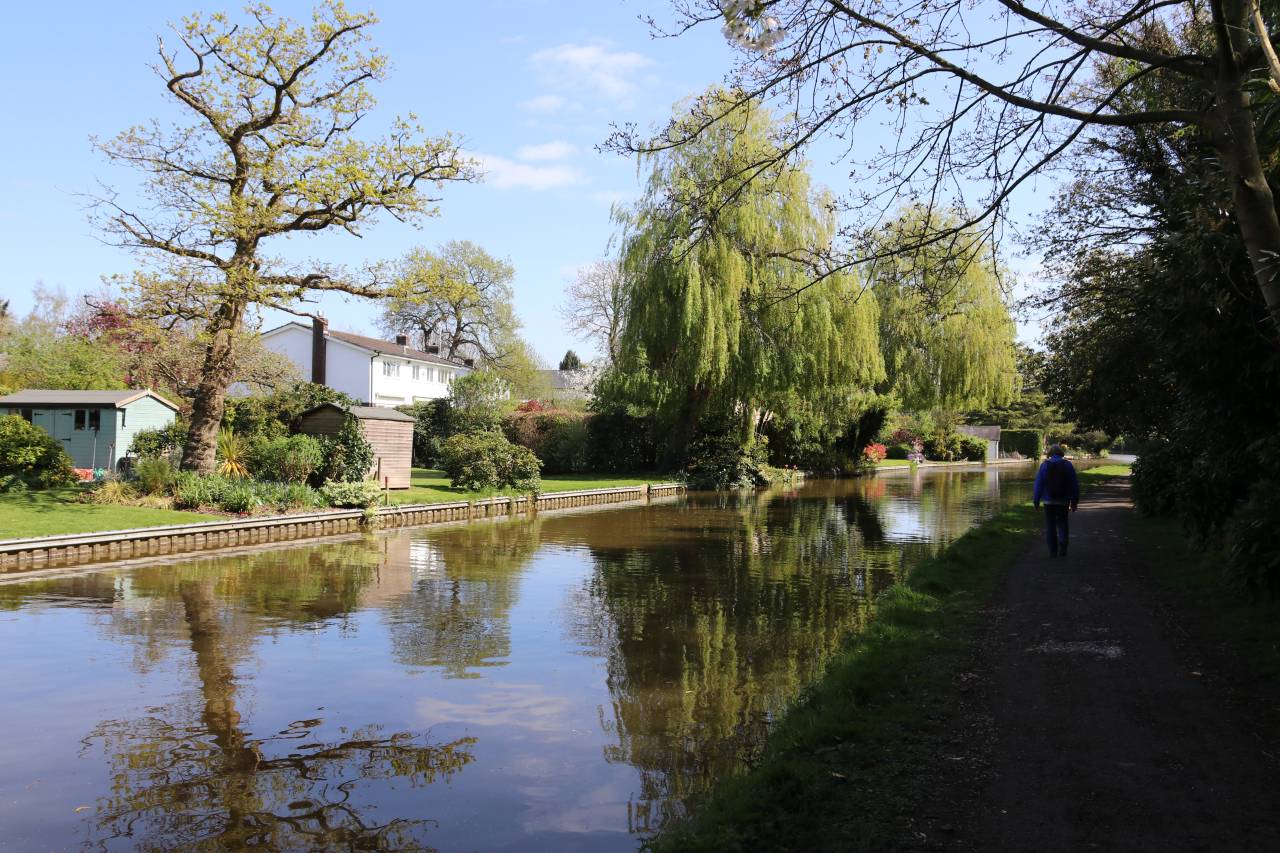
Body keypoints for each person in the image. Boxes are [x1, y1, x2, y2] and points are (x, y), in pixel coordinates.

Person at [1033, 445, 1080, 557]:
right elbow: (1074, 485)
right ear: (1061, 453)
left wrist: (1036, 500)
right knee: (1063, 522)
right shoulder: (1067, 465)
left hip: (1048, 502)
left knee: (1050, 526)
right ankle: (1063, 544)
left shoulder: (1044, 465)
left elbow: (1038, 485)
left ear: (1049, 454)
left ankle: (1053, 551)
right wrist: (1074, 501)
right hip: (1063, 501)